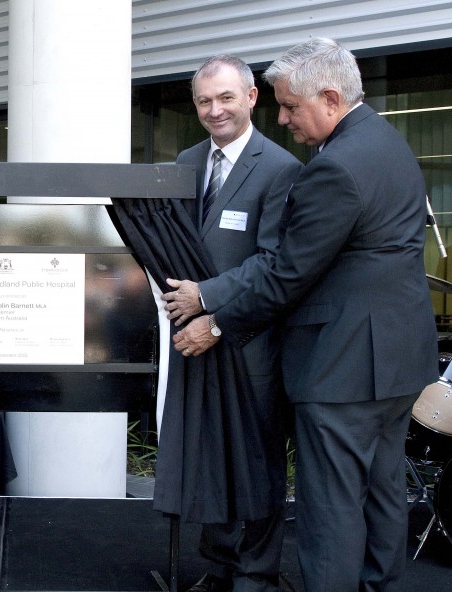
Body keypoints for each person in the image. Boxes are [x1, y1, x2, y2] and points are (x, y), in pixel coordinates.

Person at [170, 38, 437, 592]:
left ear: (332, 97)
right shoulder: (388, 143)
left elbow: (288, 273)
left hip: (341, 365)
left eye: (291, 106)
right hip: (399, 358)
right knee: (384, 490)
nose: (284, 118)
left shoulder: (333, 168)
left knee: (330, 505)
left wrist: (215, 318)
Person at [160, 55, 302, 592]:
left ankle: (258, 573)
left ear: (251, 98)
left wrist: (208, 298)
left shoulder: (282, 169)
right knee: (207, 454)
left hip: (251, 340)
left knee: (259, 459)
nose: (214, 110)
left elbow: (274, 262)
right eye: (203, 101)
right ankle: (218, 565)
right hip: (190, 338)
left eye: (224, 98)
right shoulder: (187, 161)